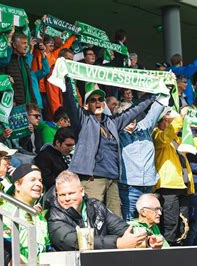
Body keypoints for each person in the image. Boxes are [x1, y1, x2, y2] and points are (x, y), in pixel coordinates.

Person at [62, 78, 156, 217]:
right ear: (87, 106)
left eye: (100, 99)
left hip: (113, 180)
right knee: (93, 218)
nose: (98, 102)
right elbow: (70, 102)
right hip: (93, 180)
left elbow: (135, 110)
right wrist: (67, 80)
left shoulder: (113, 122)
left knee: (116, 220)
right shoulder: (83, 120)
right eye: (93, 100)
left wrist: (153, 94)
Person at [152, 109, 197, 245]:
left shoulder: (177, 139)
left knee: (184, 224)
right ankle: (167, 252)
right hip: (168, 187)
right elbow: (165, 137)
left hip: (183, 186)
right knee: (170, 224)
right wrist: (181, 118)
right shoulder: (156, 134)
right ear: (165, 119)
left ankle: (179, 250)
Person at [47, 170, 147, 250]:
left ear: (82, 191)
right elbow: (74, 242)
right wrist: (117, 243)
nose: (67, 198)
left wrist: (147, 239)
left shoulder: (96, 206)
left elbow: (120, 227)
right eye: (62, 195)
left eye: (71, 193)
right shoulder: (55, 217)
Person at [0, 164, 50, 265]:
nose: (38, 184)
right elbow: (5, 255)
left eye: (40, 180)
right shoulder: (5, 213)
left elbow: (47, 250)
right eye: (32, 180)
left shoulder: (40, 218)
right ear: (17, 185)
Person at [118, 100, 165, 221]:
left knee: (148, 222)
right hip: (129, 187)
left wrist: (166, 86)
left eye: (133, 115)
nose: (131, 119)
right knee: (129, 222)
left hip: (148, 186)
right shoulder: (117, 133)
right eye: (126, 116)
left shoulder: (144, 127)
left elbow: (157, 107)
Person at [6, 33, 36, 105]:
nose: (26, 46)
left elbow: (29, 86)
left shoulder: (24, 62)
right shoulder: (7, 61)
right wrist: (12, 100)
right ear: (14, 45)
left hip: (28, 104)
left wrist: (34, 102)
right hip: (13, 105)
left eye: (27, 43)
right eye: (24, 43)